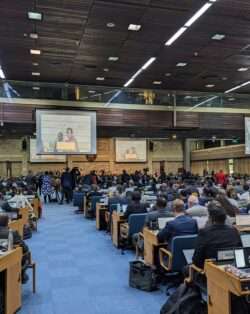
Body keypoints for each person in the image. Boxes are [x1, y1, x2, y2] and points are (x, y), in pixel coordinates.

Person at [192, 201, 242, 268]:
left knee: (185, 269)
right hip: (231, 269)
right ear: (225, 218)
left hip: (209, 271)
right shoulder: (234, 231)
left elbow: (197, 261)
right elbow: (240, 253)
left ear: (211, 218)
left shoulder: (204, 232)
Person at [0, 214, 30, 283]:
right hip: (10, 261)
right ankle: (22, 275)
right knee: (26, 254)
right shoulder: (12, 233)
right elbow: (25, 248)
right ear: (7, 223)